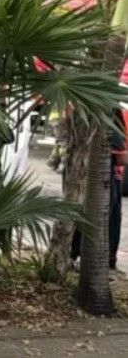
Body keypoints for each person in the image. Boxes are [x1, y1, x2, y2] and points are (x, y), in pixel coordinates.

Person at [70, 109, 128, 272]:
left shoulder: (82, 118)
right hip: (106, 181)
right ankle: (99, 261)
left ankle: (74, 254)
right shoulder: (111, 128)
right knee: (104, 221)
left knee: (82, 215)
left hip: (82, 175)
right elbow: (121, 159)